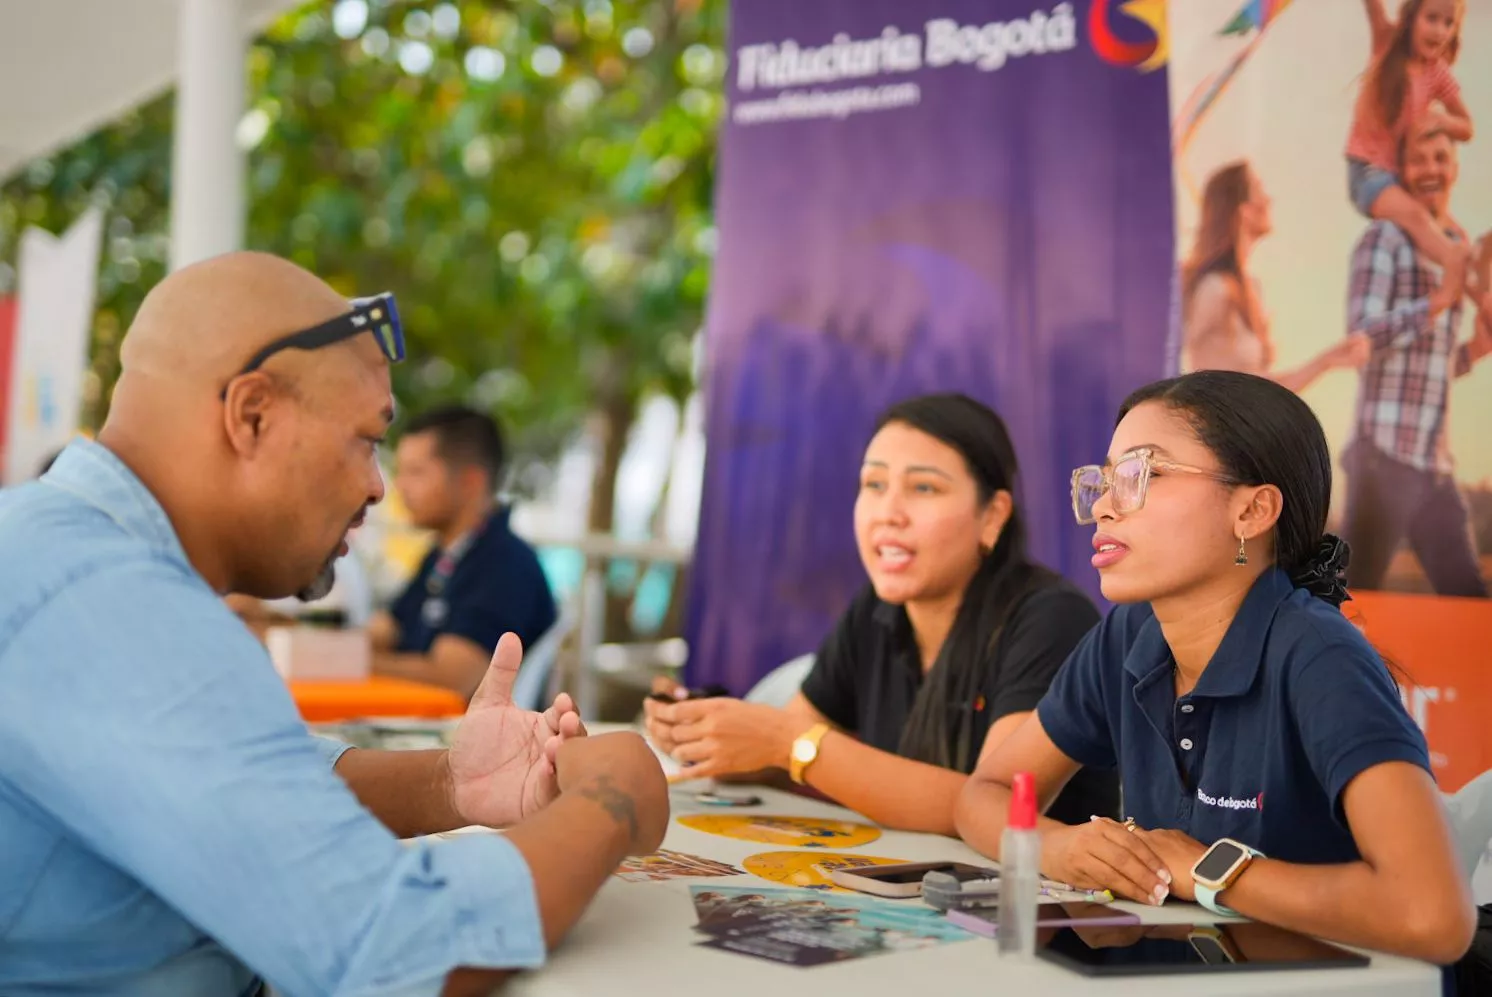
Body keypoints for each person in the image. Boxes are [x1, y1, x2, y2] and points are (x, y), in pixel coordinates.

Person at [0, 252, 668, 995]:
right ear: (251, 414)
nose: (379, 487)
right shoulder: (106, 597)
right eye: (368, 440)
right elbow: (392, 948)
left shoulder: (61, 552)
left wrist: (453, 781)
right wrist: (611, 800)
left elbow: (249, 782)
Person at [955, 370, 1475, 966]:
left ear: (1253, 511)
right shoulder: (1128, 635)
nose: (1102, 506)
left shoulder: (1320, 657)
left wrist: (1209, 870)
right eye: (1104, 480)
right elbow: (985, 795)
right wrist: (1060, 847)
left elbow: (1433, 917)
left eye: (1141, 475)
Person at [645, 393, 1119, 835]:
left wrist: (791, 742)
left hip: (1040, 912)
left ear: (992, 516)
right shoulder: (876, 611)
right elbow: (779, 754)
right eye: (873, 484)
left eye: (924, 488)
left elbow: (995, 808)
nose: (888, 512)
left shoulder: (1050, 620)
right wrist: (708, 730)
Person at [1341, 125, 1492, 597]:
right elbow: (1361, 336)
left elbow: (1432, 370)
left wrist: (1473, 352)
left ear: (1455, 168)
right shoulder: (1384, 238)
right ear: (1401, 172)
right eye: (1419, 159)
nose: (1431, 169)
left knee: (1468, 601)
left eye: (1440, 158)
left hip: (1434, 467)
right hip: (1382, 460)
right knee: (1350, 601)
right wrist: (1437, 302)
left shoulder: (1456, 246)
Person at [369, 404, 558, 699]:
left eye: (416, 473)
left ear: (471, 481)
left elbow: (453, 679)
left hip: (458, 738)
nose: (398, 487)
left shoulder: (505, 564)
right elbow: (383, 631)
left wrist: (352, 663)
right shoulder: (445, 556)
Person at [1181, 161, 1369, 391]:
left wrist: (1325, 362)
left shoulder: (1251, 288)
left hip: (1242, 424)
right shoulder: (1215, 288)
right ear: (1244, 210)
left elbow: (1258, 391)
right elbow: (1173, 356)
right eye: (1259, 190)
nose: (1269, 199)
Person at [1345, 0, 1483, 310]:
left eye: (1448, 24)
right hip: (1367, 172)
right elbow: (1374, 8)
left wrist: (1442, 119)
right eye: (1431, 19)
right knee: (1421, 220)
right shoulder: (1388, 43)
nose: (1439, 30)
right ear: (1411, 18)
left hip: (1397, 177)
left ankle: (1482, 299)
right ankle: (1453, 267)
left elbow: (1467, 127)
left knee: (1451, 231)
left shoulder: (1438, 74)